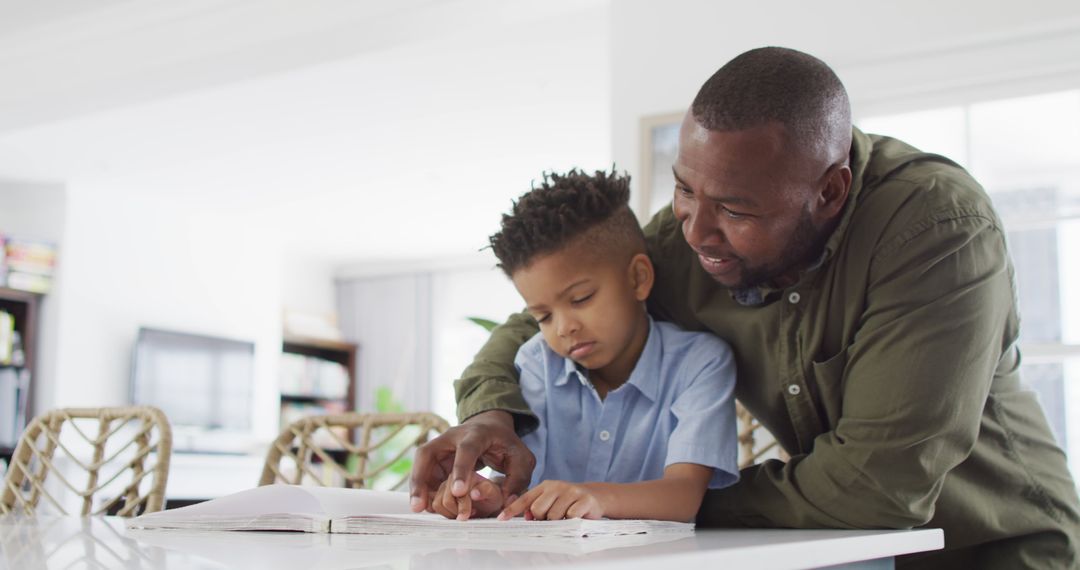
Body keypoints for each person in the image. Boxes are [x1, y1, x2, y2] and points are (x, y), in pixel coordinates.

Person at [410, 47, 1080, 568]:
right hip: (847, 554)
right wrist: (489, 416)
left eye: (734, 210)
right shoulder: (687, 245)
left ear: (831, 190)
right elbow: (541, 315)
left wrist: (665, 501)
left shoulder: (936, 231)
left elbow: (880, 488)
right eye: (684, 190)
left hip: (1002, 548)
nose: (698, 231)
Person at [427, 169, 739, 522]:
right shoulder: (536, 361)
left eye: (581, 298)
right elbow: (518, 487)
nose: (564, 328)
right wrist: (487, 497)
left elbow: (684, 497)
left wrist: (596, 498)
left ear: (638, 278)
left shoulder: (700, 363)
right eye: (543, 316)